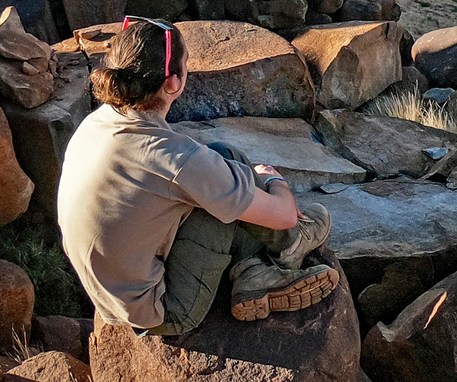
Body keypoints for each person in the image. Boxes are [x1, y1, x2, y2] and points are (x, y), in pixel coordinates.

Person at [57, 17, 337, 334]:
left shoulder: (97, 123)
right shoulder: (173, 157)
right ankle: (291, 244)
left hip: (110, 296)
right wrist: (273, 179)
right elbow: (284, 214)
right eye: (187, 62)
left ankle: (252, 271)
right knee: (220, 192)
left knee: (221, 159)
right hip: (165, 311)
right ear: (173, 83)